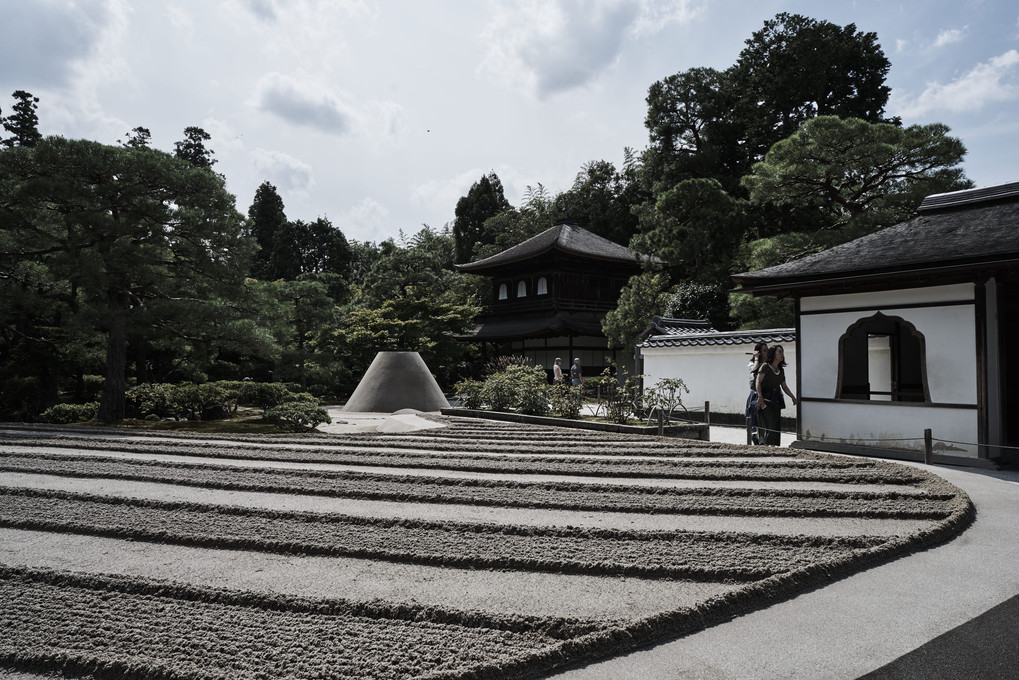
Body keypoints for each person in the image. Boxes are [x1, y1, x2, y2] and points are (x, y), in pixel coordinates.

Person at [755, 345, 798, 446]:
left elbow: (784, 386)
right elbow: (758, 381)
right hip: (765, 399)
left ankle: (773, 448)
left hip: (776, 399)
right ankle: (765, 447)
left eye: (782, 352)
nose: (782, 354)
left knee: (775, 424)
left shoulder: (781, 370)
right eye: (779, 352)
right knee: (768, 424)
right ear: (773, 353)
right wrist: (759, 396)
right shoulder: (765, 366)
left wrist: (793, 397)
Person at [745, 342, 768, 445]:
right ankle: (756, 440)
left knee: (765, 419)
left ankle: (765, 440)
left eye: (767, 350)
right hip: (755, 394)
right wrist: (756, 358)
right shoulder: (752, 363)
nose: (767, 352)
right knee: (755, 419)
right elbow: (753, 370)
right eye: (764, 350)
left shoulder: (768, 364)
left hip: (766, 393)